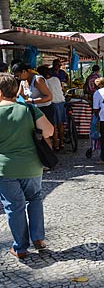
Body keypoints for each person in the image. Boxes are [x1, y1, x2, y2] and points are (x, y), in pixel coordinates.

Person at [0, 73, 54, 259]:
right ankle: (38, 238)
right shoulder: (29, 109)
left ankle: (20, 248)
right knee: (35, 198)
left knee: (14, 206)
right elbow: (49, 131)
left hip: (5, 168)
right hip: (32, 166)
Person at [12, 62, 55, 131]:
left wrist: (32, 101)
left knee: (45, 134)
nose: (18, 78)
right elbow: (19, 95)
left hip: (44, 109)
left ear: (24, 71)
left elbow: (49, 97)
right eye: (16, 77)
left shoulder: (38, 80)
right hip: (34, 110)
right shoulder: (23, 81)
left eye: (19, 76)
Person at [37, 66, 66, 151]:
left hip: (53, 103)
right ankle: (61, 143)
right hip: (61, 101)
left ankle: (55, 145)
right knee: (61, 124)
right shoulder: (56, 79)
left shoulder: (44, 82)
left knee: (54, 125)